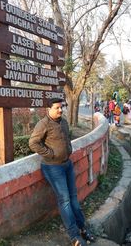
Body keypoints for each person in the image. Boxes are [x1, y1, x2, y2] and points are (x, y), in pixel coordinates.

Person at [29, 98, 95, 246]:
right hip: (53, 168)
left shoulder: (63, 122)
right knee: (64, 201)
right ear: (49, 109)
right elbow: (33, 143)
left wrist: (68, 150)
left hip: (67, 165)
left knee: (73, 199)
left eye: (61, 107)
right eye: (57, 108)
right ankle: (74, 237)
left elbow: (67, 138)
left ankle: (83, 229)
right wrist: (50, 154)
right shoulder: (43, 124)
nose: (60, 110)